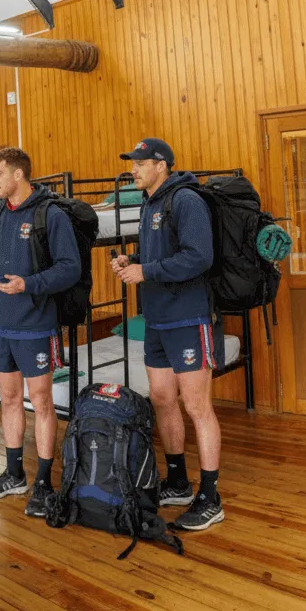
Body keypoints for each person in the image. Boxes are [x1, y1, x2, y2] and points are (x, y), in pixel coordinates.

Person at [0, 147, 81, 516]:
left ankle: (42, 481)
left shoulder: (48, 214)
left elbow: (70, 268)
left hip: (36, 324)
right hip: (0, 325)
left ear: (18, 175)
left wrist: (30, 284)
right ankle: (13, 474)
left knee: (41, 401)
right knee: (8, 399)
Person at [112, 138, 224, 531]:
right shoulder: (150, 204)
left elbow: (198, 257)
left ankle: (210, 497)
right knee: (162, 399)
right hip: (157, 319)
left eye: (140, 163)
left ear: (162, 165)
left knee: (197, 406)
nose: (134, 169)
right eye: (132, 163)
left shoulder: (186, 200)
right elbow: (164, 255)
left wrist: (146, 272)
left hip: (188, 318)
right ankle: (177, 481)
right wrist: (136, 260)